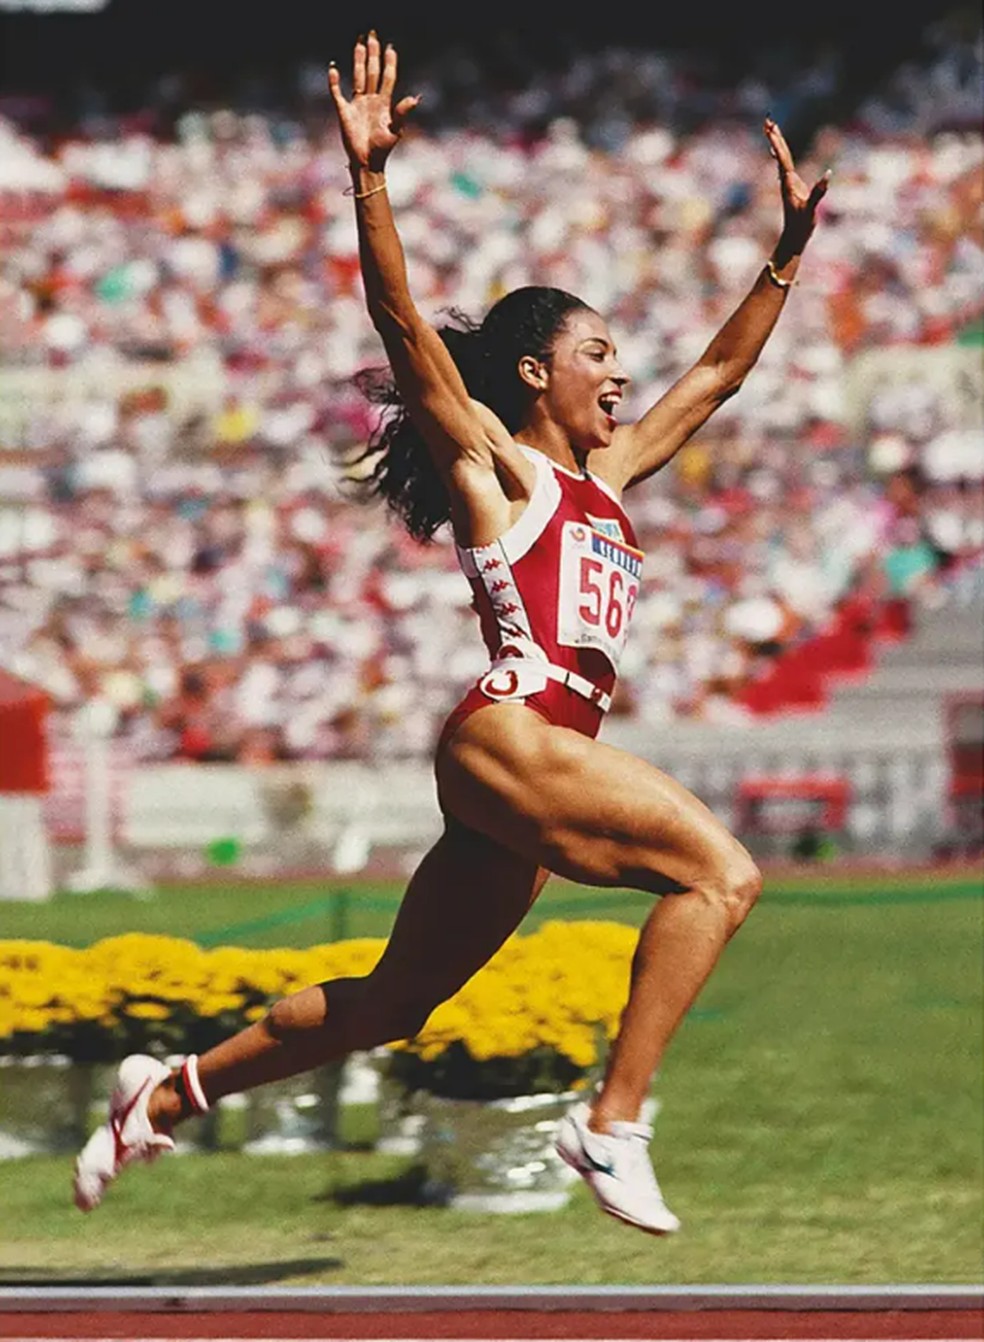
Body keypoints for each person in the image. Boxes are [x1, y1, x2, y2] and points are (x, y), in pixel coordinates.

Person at [74, 34, 829, 1234]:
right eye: (598, 356)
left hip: (533, 759)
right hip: (513, 726)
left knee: (398, 999)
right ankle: (613, 1121)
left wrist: (787, 254)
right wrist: (369, 179)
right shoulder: (494, 464)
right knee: (720, 874)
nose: (622, 378)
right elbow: (401, 320)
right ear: (535, 371)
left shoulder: (613, 474)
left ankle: (167, 1092)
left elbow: (720, 373)